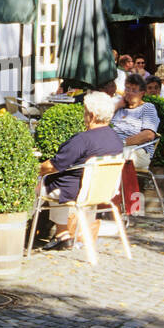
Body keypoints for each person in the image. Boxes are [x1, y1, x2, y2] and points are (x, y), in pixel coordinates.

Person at [36, 91, 125, 249]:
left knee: (38, 184)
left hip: (77, 191)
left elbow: (52, 166)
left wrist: (34, 169)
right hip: (103, 191)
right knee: (60, 181)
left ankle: (23, 232)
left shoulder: (83, 140)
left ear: (91, 115)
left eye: (84, 112)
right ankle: (62, 235)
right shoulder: (115, 139)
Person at [110, 76, 160, 170]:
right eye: (127, 89)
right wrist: (117, 105)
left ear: (142, 93)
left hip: (136, 150)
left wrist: (122, 143)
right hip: (115, 148)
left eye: (134, 90)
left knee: (109, 159)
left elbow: (148, 135)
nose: (129, 93)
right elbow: (102, 122)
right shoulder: (120, 108)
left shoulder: (147, 107)